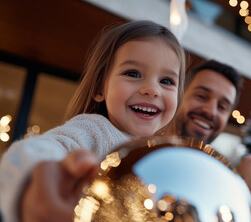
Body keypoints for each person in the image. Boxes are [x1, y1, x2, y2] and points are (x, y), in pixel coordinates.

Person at [0, 20, 187, 222]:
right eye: (133, 73)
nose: (152, 89)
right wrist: (32, 185)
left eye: (166, 81)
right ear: (99, 88)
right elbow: (39, 151)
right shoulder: (93, 130)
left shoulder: (163, 155)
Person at [176, 60, 251, 221]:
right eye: (201, 96)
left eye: (222, 107)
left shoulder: (220, 176)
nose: (210, 111)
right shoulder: (137, 148)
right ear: (178, 94)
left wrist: (249, 189)